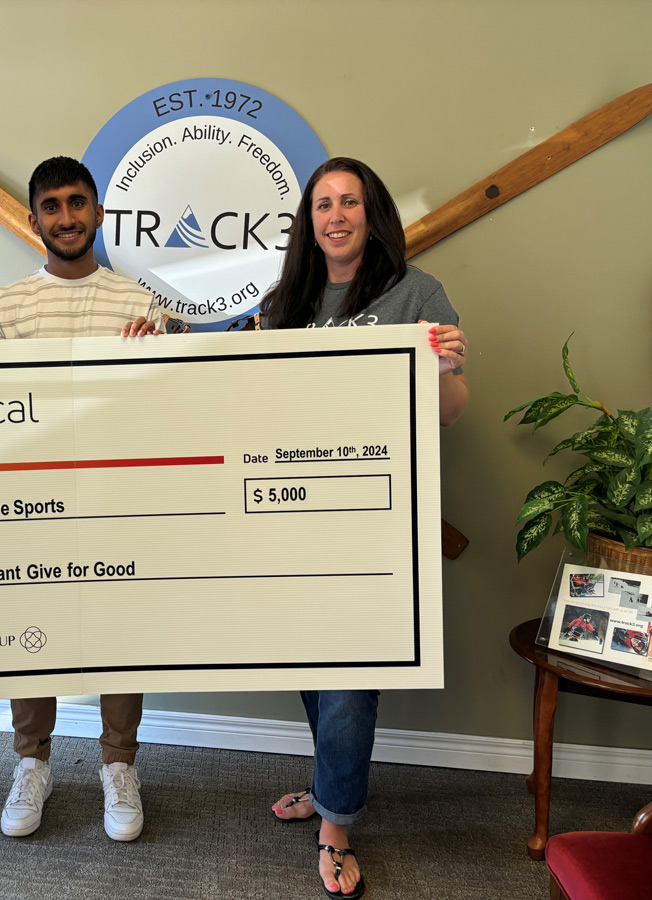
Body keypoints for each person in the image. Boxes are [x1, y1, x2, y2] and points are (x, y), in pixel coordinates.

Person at [260, 157, 469, 900]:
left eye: (350, 202)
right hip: (297, 519)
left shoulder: (418, 293)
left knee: (351, 677)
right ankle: (329, 787)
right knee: (312, 671)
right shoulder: (286, 300)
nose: (336, 215)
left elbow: (449, 412)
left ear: (372, 212)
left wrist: (445, 367)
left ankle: (337, 825)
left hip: (378, 523)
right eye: (323, 204)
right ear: (308, 220)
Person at [0, 156, 162, 842]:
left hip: (116, 493)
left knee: (119, 626)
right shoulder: (8, 303)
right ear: (34, 219)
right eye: (52, 206)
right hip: (34, 498)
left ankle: (118, 765)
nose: (66, 217)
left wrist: (159, 355)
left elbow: (166, 404)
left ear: (98, 212)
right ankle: (32, 762)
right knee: (35, 628)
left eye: (77, 203)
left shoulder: (137, 301)